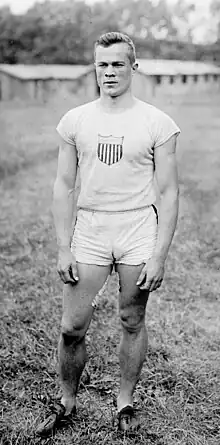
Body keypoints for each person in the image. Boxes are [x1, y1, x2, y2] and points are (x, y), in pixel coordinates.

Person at [36, 31, 180, 436]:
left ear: (133, 67)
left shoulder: (157, 122)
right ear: (94, 68)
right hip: (92, 227)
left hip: (137, 226)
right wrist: (63, 246)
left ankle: (124, 402)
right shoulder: (76, 119)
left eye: (118, 63)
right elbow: (63, 186)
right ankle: (66, 400)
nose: (110, 72)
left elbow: (169, 192)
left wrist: (159, 254)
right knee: (71, 326)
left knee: (132, 318)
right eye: (103, 64)